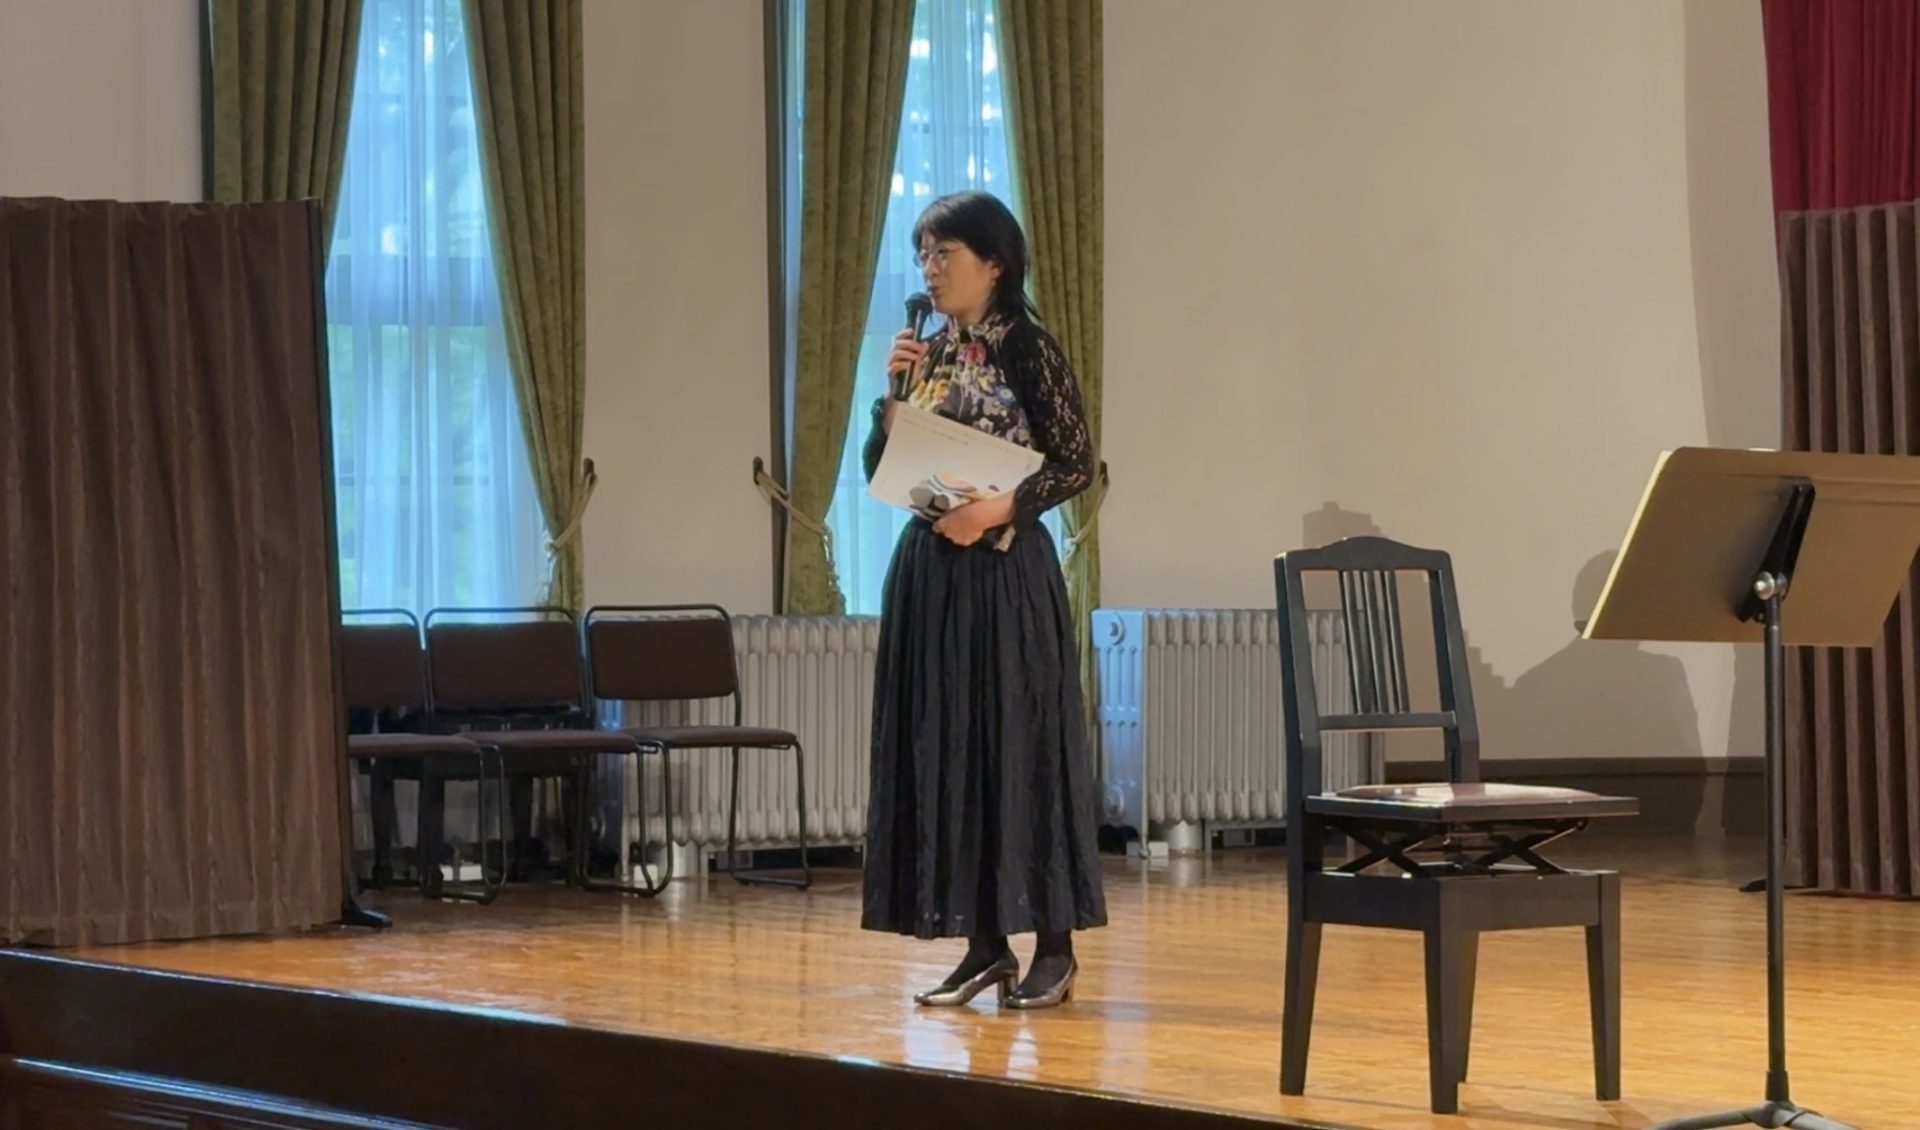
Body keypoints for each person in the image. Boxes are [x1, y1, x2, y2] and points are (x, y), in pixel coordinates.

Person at [859, 190, 1107, 1010]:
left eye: (945, 254)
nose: (930, 270)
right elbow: (877, 466)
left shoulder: (1026, 345)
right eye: (923, 255)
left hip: (1004, 573)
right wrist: (890, 399)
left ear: (994, 262)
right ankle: (983, 945)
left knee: (1019, 745)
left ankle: (1055, 947)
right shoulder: (926, 352)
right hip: (931, 573)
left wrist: (997, 509)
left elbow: (1075, 463)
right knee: (949, 748)